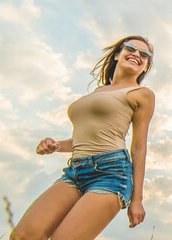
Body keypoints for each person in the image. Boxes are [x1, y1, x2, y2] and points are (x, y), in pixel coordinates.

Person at [11, 35, 156, 240]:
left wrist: (137, 199)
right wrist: (54, 145)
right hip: (75, 171)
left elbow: (139, 148)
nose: (136, 54)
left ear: (145, 67)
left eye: (144, 54)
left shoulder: (141, 94)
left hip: (111, 173)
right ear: (117, 55)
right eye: (131, 48)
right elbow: (82, 139)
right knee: (24, 235)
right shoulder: (98, 91)